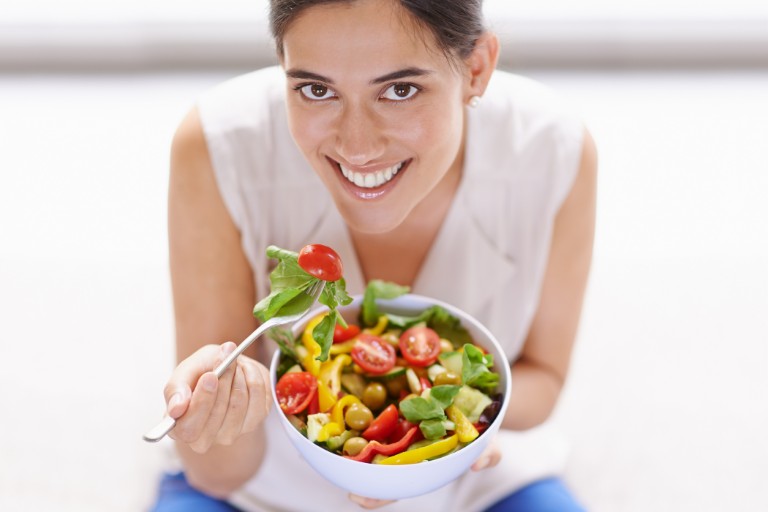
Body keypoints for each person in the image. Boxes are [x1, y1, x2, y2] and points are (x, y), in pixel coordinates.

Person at [150, 0, 597, 510]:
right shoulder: (218, 145)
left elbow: (546, 379)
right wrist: (220, 407)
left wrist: (457, 432)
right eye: (316, 90)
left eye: (400, 90)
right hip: (260, 487)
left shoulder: (553, 150)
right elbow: (219, 474)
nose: (357, 147)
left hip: (479, 481)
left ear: (476, 69)